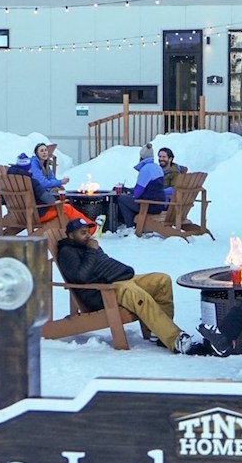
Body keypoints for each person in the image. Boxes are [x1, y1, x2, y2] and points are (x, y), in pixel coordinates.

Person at [55, 216, 192, 353]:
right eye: (82, 233)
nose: (87, 235)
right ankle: (174, 339)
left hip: (117, 280)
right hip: (102, 292)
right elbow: (81, 277)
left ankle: (160, 333)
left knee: (161, 280)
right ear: (71, 236)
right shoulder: (67, 252)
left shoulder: (86, 246)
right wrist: (92, 251)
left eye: (87, 232)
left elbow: (104, 264)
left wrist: (93, 251)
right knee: (138, 295)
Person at [113, 145, 169, 230]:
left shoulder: (145, 169)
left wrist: (129, 192)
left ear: (141, 157)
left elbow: (137, 193)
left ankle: (130, 226)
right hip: (159, 204)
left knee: (122, 199)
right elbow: (150, 188)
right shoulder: (157, 167)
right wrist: (129, 190)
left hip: (149, 205)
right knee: (128, 199)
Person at [28, 142, 67, 206]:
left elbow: (52, 178)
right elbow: (42, 183)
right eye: (41, 151)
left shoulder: (45, 164)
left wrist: (59, 183)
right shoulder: (34, 164)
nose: (44, 152)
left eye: (45, 150)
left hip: (45, 191)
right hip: (39, 195)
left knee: (61, 189)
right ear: (37, 153)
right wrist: (60, 182)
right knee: (57, 190)